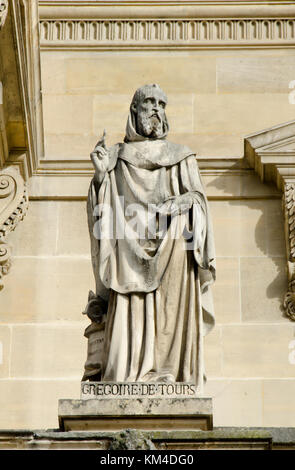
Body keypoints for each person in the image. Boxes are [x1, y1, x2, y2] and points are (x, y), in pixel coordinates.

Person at [83, 84, 215, 391]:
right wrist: (101, 177)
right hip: (127, 250)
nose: (156, 108)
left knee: (171, 302)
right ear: (134, 111)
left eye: (161, 103)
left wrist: (182, 204)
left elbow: (199, 203)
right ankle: (126, 374)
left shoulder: (181, 157)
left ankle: (170, 370)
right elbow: (101, 216)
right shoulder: (115, 158)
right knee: (127, 306)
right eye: (149, 103)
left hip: (173, 250)